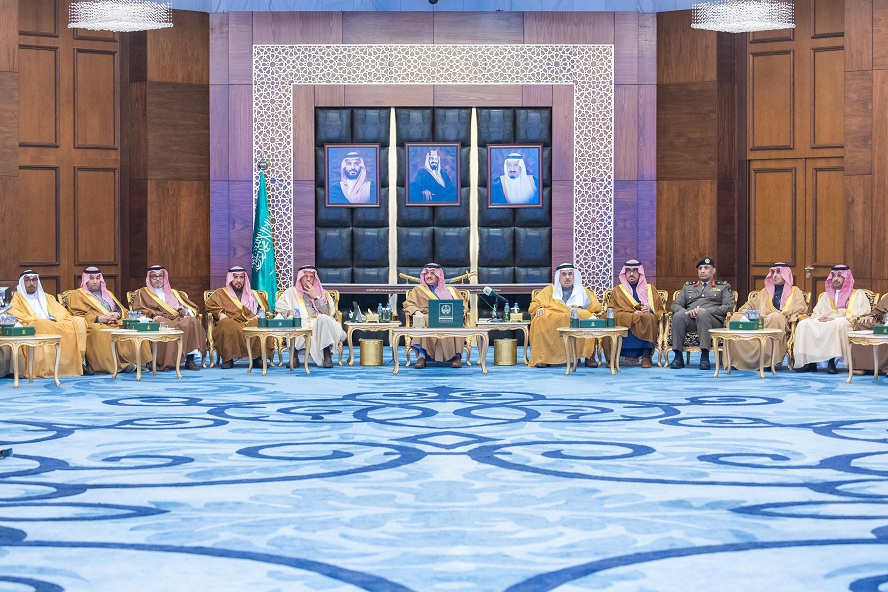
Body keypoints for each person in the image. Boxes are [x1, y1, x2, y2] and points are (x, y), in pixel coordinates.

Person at [66, 266, 150, 374]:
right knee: (99, 331)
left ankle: (135, 362)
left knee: (131, 327)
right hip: (94, 324)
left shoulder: (108, 293)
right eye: (91, 278)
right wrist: (97, 318)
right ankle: (113, 366)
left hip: (113, 322)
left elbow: (121, 310)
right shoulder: (77, 294)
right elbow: (76, 315)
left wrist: (117, 315)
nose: (95, 281)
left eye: (97, 278)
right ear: (85, 280)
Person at [726, 263, 807, 370]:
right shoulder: (766, 291)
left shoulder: (795, 291)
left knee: (776, 319)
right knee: (735, 318)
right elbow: (751, 304)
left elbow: (800, 307)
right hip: (760, 320)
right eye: (773, 272)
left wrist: (780, 312)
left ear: (786, 274)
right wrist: (745, 311)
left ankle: (768, 361)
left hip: (779, 320)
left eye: (778, 272)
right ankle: (739, 361)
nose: (775, 275)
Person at [9, 270, 88, 377]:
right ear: (22, 283)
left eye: (34, 280)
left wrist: (55, 320)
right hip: (34, 323)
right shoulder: (15, 298)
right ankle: (42, 366)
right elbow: (14, 313)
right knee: (40, 323)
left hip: (52, 322)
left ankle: (77, 363)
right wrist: (35, 319)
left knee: (79, 321)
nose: (31, 283)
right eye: (27, 280)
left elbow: (61, 312)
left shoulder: (47, 297)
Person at [794, 265, 870, 374]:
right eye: (833, 276)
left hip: (844, 321)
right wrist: (821, 318)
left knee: (834, 325)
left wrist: (835, 317)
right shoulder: (826, 295)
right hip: (826, 321)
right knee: (804, 324)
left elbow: (858, 314)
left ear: (846, 278)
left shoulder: (857, 294)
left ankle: (832, 362)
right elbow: (816, 312)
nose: (835, 279)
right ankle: (809, 362)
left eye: (839, 276)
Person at [131, 265, 206, 371]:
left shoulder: (173, 292)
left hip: (176, 317)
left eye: (160, 276)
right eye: (154, 276)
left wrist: (184, 312)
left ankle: (190, 360)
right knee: (164, 323)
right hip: (158, 318)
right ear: (149, 278)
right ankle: (163, 362)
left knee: (192, 321)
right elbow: (138, 308)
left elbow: (186, 306)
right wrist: (153, 316)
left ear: (164, 277)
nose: (158, 279)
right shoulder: (142, 293)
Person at [528, 263, 602, 368]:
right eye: (563, 274)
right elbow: (534, 304)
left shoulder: (583, 291)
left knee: (587, 317)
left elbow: (596, 307)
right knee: (541, 317)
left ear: (574, 276)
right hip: (555, 317)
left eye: (570, 274)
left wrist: (581, 309)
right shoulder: (549, 290)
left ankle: (589, 356)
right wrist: (539, 308)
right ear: (559, 276)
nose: (567, 277)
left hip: (575, 316)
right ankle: (543, 357)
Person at [669, 257, 735, 370]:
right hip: (692, 320)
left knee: (702, 315)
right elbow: (675, 305)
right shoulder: (688, 287)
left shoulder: (723, 286)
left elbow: (729, 306)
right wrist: (687, 312)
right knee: (678, 315)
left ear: (713, 271)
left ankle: (705, 356)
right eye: (700, 268)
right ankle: (678, 356)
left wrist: (706, 311)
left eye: (706, 268)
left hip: (712, 321)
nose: (702, 271)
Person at [275, 265, 346, 368]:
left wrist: (316, 297)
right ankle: (293, 356)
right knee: (294, 320)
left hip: (318, 323)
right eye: (306, 276)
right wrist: (288, 312)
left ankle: (327, 355)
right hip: (300, 322)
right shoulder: (290, 292)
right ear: (300, 278)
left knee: (324, 318)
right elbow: (279, 306)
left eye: (311, 277)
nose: (308, 279)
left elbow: (328, 313)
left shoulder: (323, 293)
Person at [205, 266, 271, 369]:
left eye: (241, 277)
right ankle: (228, 358)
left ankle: (256, 358)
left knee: (258, 323)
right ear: (230, 278)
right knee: (227, 324)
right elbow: (209, 305)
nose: (238, 280)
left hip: (250, 321)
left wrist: (259, 314)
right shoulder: (220, 294)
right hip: (231, 321)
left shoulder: (253, 295)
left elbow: (264, 308)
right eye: (235, 277)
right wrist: (220, 314)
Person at [402, 263, 465, 368]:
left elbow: (462, 305)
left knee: (456, 321)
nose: (429, 276)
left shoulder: (451, 290)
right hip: (427, 316)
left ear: (438, 275)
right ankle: (422, 357)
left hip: (448, 317)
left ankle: (456, 357)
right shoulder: (417, 290)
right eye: (426, 273)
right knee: (426, 319)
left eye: (432, 273)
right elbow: (408, 304)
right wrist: (416, 312)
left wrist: (458, 311)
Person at [610, 260, 664, 368]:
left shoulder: (650, 289)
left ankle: (645, 356)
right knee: (620, 317)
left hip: (644, 316)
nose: (631, 273)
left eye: (635, 271)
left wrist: (649, 309)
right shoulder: (618, 290)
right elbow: (612, 310)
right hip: (626, 316)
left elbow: (659, 309)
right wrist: (632, 312)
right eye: (628, 271)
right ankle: (617, 356)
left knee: (649, 317)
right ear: (624, 273)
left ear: (640, 273)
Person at [850, 293, 888, 375]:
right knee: (862, 325)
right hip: (884, 324)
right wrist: (870, 317)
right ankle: (862, 366)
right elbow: (878, 312)